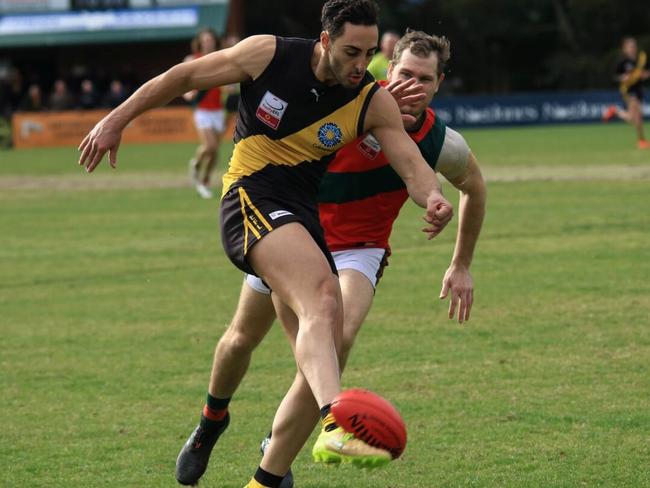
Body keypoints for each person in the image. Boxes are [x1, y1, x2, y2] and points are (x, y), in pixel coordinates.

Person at [77, 2, 453, 487]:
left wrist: (435, 197)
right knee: (290, 313)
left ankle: (270, 466)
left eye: (366, 53)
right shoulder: (267, 55)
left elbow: (411, 164)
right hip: (248, 199)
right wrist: (117, 119)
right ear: (325, 40)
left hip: (298, 220)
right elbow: (182, 77)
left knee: (322, 315)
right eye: (351, 51)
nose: (361, 65)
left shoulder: (370, 99)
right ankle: (249, 420)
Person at [174, 29, 486, 488]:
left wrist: (460, 263)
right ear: (387, 70)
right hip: (292, 235)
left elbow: (474, 189)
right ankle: (211, 420)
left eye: (425, 79)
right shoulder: (346, 104)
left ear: (439, 85)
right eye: (404, 74)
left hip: (360, 248)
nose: (413, 86)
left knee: (334, 341)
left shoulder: (440, 141)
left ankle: (271, 469)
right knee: (240, 339)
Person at [184, 28, 226, 199]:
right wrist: (188, 94)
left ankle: (205, 181)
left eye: (210, 39)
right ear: (200, 42)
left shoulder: (222, 57)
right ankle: (196, 164)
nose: (208, 42)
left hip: (218, 110)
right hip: (202, 110)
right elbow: (183, 83)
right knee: (210, 146)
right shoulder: (192, 59)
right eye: (205, 40)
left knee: (215, 152)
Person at [602, 37, 650, 149]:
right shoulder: (622, 62)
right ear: (625, 49)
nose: (632, 48)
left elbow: (646, 72)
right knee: (637, 117)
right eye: (630, 47)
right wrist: (622, 77)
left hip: (639, 90)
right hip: (628, 90)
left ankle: (615, 111)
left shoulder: (641, 58)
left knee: (634, 118)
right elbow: (615, 76)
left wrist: (645, 75)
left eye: (634, 46)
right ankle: (641, 141)